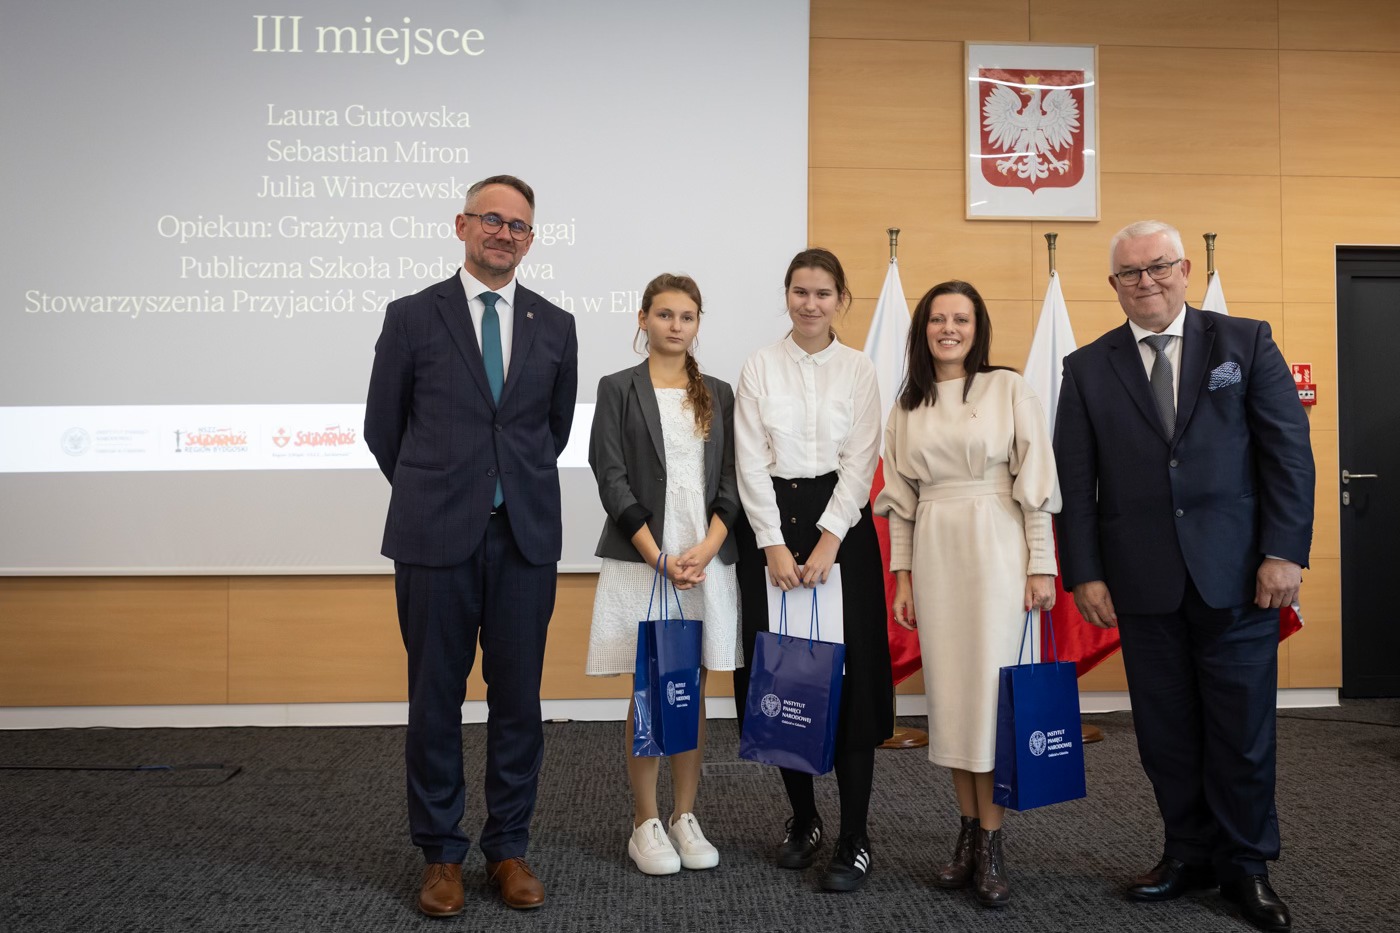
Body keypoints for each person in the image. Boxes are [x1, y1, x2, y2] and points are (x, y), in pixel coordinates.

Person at [1054, 220, 1314, 933]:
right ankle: (1187, 853)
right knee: (1165, 733)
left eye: (1158, 266)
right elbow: (1076, 485)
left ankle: (1247, 865)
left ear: (1186, 269)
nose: (1146, 282)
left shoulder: (1245, 343)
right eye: (1130, 273)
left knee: (1241, 732)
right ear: (1113, 285)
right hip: (1140, 584)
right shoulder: (1086, 367)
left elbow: (1288, 455)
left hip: (1241, 577)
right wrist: (1085, 574)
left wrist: (1284, 552)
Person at [364, 175, 578, 916]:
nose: (504, 233)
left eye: (518, 226)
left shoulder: (556, 324)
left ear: (530, 240)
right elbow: (383, 428)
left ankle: (508, 847)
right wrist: (439, 490)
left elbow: (550, 432)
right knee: (435, 699)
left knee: (519, 701)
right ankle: (441, 854)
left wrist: (501, 486)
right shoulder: (411, 316)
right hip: (434, 536)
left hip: (524, 538)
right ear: (462, 226)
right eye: (491, 219)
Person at [874, 280, 1060, 908]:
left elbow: (1036, 484)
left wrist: (1042, 565)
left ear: (977, 328)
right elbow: (901, 502)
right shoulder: (907, 404)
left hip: (998, 548)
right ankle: (967, 833)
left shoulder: (1008, 388)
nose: (948, 329)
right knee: (952, 697)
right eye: (937, 319)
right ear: (922, 329)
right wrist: (903, 577)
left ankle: (992, 841)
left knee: (989, 696)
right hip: (935, 550)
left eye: (961, 319)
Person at [732, 247, 893, 892]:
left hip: (842, 532)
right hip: (770, 528)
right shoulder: (758, 366)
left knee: (850, 684)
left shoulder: (859, 369)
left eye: (823, 293)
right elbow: (748, 460)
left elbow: (861, 460)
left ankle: (855, 835)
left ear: (840, 300)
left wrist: (829, 541)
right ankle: (804, 819)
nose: (810, 303)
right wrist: (772, 544)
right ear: (787, 296)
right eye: (800, 291)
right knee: (783, 678)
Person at [585, 273, 741, 876]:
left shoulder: (719, 393)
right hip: (643, 559)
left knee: (691, 686)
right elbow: (611, 477)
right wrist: (658, 557)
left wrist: (707, 547)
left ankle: (684, 815)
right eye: (665, 314)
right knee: (650, 686)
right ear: (643, 319)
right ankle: (645, 821)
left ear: (698, 324)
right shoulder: (617, 388)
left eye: (687, 316)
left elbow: (732, 479)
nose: (676, 325)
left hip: (704, 559)